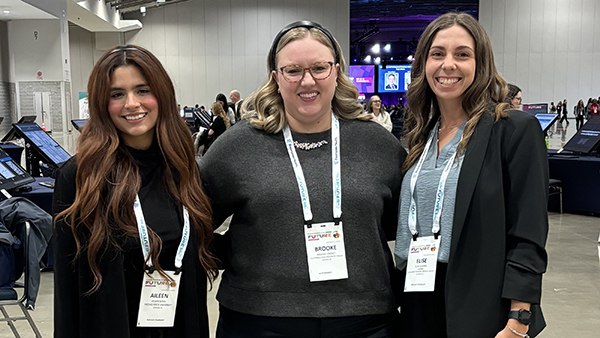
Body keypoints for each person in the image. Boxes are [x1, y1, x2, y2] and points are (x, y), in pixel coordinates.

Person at [200, 20, 406, 337]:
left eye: (319, 68)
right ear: (276, 78)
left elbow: (400, 224)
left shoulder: (377, 144)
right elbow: (190, 223)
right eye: (293, 70)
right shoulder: (237, 147)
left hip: (366, 320)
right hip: (258, 320)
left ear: (336, 71)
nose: (307, 81)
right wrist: (238, 253)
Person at [395, 13, 548, 338]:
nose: (448, 64)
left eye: (462, 54)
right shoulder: (420, 137)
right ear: (424, 64)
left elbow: (528, 232)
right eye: (437, 54)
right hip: (417, 298)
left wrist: (518, 320)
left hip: (481, 303)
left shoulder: (512, 131)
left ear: (482, 64)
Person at [52, 45, 217, 338]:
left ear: (162, 95)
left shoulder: (183, 169)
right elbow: (66, 291)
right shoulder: (81, 177)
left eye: (142, 90)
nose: (131, 103)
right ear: (102, 104)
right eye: (117, 94)